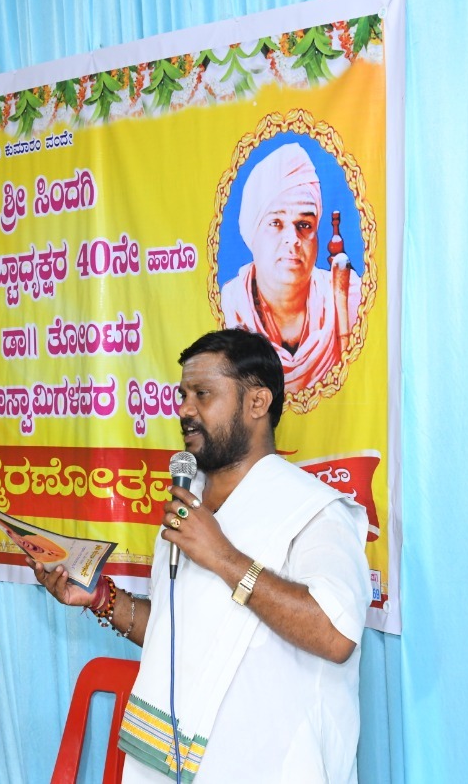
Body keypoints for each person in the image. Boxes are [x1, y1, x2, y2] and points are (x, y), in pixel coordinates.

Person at [32, 329, 370, 782]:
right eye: (183, 395)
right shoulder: (187, 503)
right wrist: (99, 599)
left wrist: (223, 557)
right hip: (174, 765)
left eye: (202, 394)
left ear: (257, 402)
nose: (185, 410)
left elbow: (336, 635)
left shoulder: (314, 512)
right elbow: (178, 632)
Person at [220, 141, 363, 394]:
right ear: (253, 233)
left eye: (304, 225)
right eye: (276, 223)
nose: (293, 239)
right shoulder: (230, 307)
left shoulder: (349, 298)